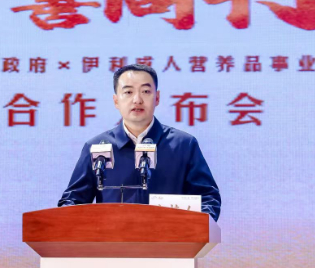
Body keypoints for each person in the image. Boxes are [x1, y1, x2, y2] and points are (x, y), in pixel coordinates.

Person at [57, 64, 221, 221]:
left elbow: (207, 197)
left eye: (146, 91)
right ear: (116, 101)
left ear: (157, 98)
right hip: (111, 239)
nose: (137, 99)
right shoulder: (96, 147)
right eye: (128, 92)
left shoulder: (183, 144)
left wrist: (196, 227)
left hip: (170, 239)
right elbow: (73, 200)